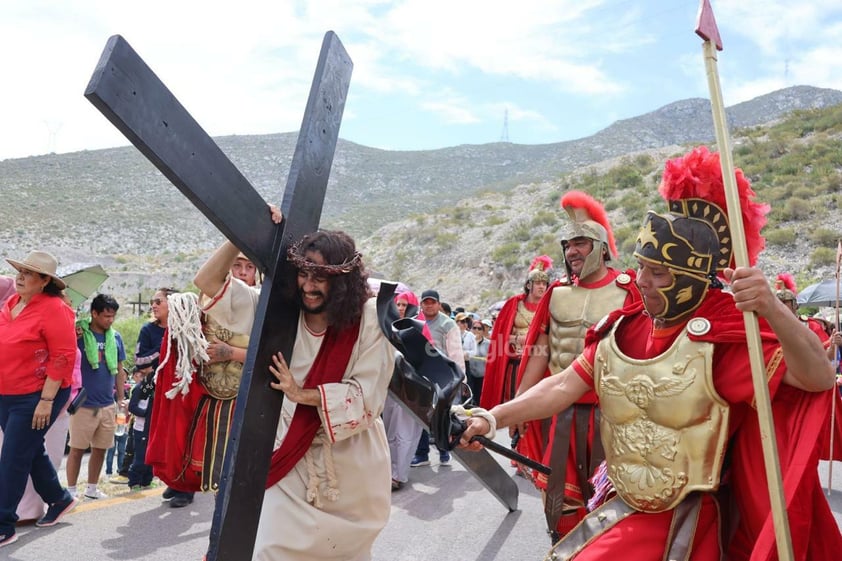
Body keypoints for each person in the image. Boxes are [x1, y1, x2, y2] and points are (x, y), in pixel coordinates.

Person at [459, 146, 842, 560]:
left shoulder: (723, 340)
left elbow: (817, 377)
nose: (641, 280)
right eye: (642, 266)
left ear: (694, 278)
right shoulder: (624, 325)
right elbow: (565, 383)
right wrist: (492, 417)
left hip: (688, 520)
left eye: (658, 273)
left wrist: (771, 309)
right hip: (621, 502)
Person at [195, 230, 395, 561]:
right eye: (304, 273)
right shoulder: (280, 312)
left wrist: (303, 394)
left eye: (320, 277)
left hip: (351, 467)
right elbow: (208, 281)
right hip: (289, 458)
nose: (309, 286)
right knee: (269, 550)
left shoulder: (371, 318)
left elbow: (368, 398)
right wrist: (242, 233)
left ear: (343, 280)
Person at [514, 192, 639, 540]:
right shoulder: (555, 293)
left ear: (600, 246)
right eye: (568, 244)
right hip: (562, 410)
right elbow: (540, 352)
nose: (572, 251)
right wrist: (520, 405)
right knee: (559, 501)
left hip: (613, 412)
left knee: (609, 503)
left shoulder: (629, 289)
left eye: (580, 242)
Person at [0, 251, 79, 548]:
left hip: (37, 394)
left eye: (28, 273)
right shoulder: (11, 303)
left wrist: (46, 401)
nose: (20, 276)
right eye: (20, 270)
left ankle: (3, 523)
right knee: (28, 450)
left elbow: (63, 356)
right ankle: (59, 499)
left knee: (12, 458)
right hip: (7, 392)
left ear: (45, 281)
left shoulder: (54, 309)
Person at [66, 294, 127, 500]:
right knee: (76, 449)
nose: (110, 320)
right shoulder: (79, 334)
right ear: (94, 313)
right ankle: (71, 491)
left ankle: (91, 489)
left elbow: (119, 369)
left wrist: (121, 399)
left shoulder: (115, 337)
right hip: (83, 403)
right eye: (106, 316)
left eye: (113, 316)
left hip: (107, 404)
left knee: (101, 449)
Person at [481, 255, 552, 410]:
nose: (542, 287)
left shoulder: (550, 306)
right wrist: (518, 339)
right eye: (538, 283)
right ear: (529, 285)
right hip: (515, 361)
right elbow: (500, 334)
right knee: (512, 402)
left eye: (544, 284)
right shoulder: (514, 303)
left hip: (539, 360)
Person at [382, 290, 432, 490]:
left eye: (404, 304)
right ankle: (386, 471)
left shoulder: (420, 328)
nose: (401, 308)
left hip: (411, 390)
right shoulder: (386, 325)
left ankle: (397, 475)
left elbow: (426, 358)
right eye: (398, 304)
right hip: (389, 388)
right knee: (387, 430)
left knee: (404, 433)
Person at [410, 288, 463, 467]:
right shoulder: (415, 322)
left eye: (433, 302)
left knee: (441, 416)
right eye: (426, 302)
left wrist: (460, 380)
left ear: (439, 304)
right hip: (420, 376)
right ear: (421, 304)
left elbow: (455, 353)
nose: (429, 305)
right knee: (420, 414)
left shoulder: (448, 324)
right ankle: (422, 453)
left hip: (443, 376)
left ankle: (444, 450)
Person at [467, 318, 492, 406]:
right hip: (469, 374)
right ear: (471, 329)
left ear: (483, 331)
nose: (476, 330)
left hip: (482, 375)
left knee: (479, 397)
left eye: (479, 328)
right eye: (474, 328)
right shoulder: (466, 342)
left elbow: (492, 359)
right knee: (469, 396)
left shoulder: (488, 344)